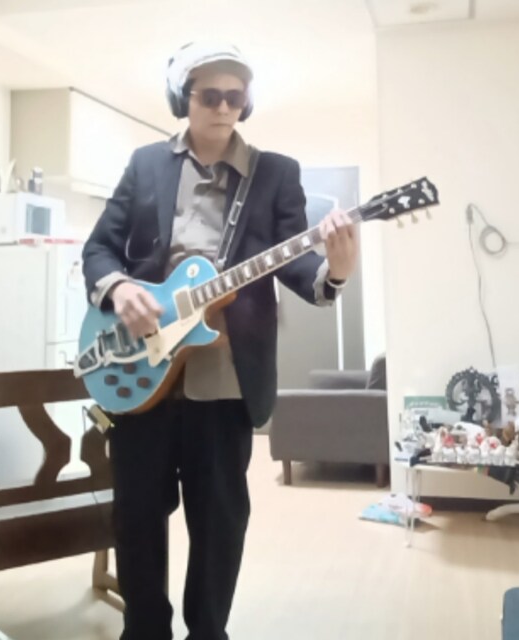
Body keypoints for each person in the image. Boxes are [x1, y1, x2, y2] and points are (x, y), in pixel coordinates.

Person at [82, 41, 358, 640]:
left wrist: (334, 272)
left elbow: (295, 266)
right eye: (211, 96)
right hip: (140, 372)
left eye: (236, 97)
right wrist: (119, 287)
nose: (225, 108)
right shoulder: (146, 165)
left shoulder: (275, 173)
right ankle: (144, 631)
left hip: (227, 379)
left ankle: (208, 631)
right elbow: (99, 248)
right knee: (137, 516)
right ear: (183, 99)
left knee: (220, 523)